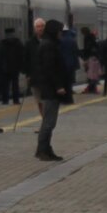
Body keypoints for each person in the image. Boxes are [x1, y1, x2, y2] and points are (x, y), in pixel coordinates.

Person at [35, 19, 72, 161]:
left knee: (50, 121)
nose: (60, 33)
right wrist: (59, 86)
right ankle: (42, 150)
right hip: (50, 90)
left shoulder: (49, 44)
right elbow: (50, 69)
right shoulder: (49, 46)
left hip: (50, 88)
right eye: (59, 31)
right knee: (49, 122)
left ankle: (46, 149)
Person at [23, 18, 46, 115]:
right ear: (34, 29)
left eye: (42, 26)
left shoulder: (50, 41)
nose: (40, 29)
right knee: (39, 101)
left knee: (47, 101)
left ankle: (46, 122)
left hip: (48, 76)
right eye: (38, 27)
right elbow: (26, 59)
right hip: (35, 76)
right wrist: (27, 74)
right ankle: (44, 122)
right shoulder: (29, 43)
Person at [0, 27, 24, 104]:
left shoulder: (2, 43)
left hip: (5, 68)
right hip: (15, 67)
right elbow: (22, 55)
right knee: (15, 85)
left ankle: (5, 100)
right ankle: (16, 100)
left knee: (5, 85)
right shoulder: (18, 42)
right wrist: (21, 66)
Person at [80, 26, 101, 94]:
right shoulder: (93, 38)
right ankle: (92, 88)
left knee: (90, 73)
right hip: (95, 57)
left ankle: (91, 88)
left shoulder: (87, 38)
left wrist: (85, 58)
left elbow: (87, 49)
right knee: (94, 73)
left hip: (90, 57)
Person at [60, 26, 80, 92]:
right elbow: (76, 52)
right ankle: (69, 89)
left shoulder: (60, 40)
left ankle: (64, 88)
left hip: (62, 62)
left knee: (63, 76)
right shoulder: (73, 41)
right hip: (71, 62)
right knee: (71, 76)